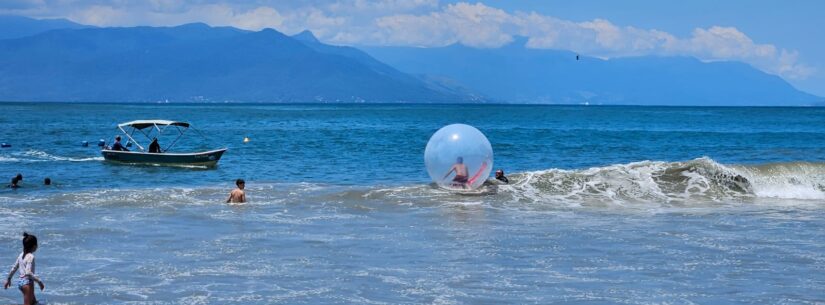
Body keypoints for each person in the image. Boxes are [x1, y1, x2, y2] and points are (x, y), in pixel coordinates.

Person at [4, 232, 44, 305]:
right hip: (27, 283)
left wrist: (9, 279)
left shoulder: (21, 255)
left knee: (34, 303)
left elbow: (14, 267)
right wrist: (39, 281)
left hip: (21, 283)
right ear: (34, 246)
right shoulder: (30, 256)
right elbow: (28, 273)